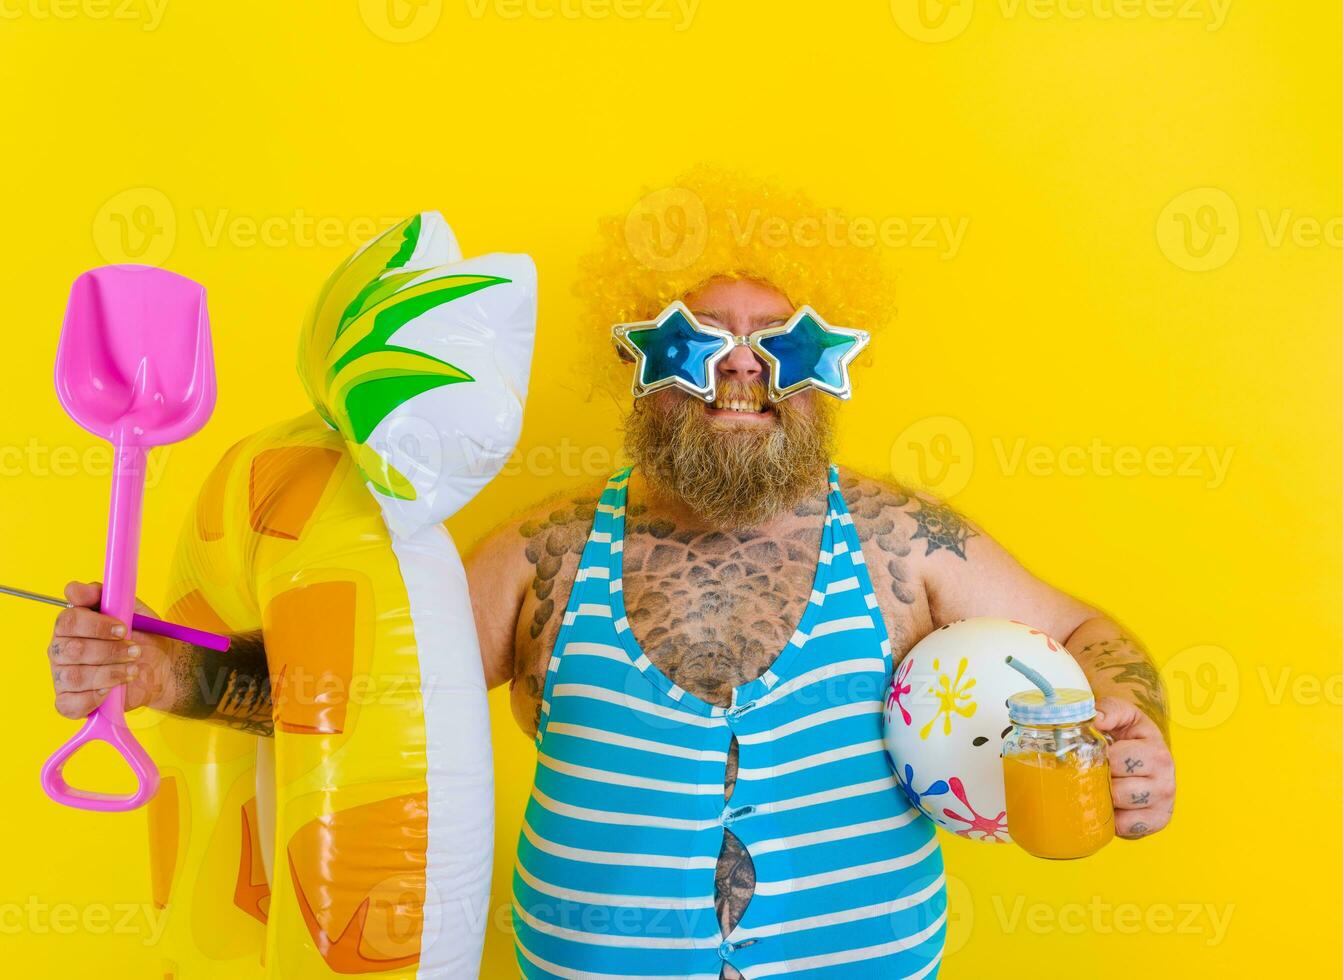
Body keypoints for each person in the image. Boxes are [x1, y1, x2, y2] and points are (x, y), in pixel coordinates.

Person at [45, 170, 1174, 979]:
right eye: (698, 338)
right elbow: (355, 698)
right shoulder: (541, 554)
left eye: (781, 341)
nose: (741, 365)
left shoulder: (900, 540)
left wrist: (1136, 731)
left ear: (827, 370)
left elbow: (1085, 634)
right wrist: (165, 674)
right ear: (636, 361)